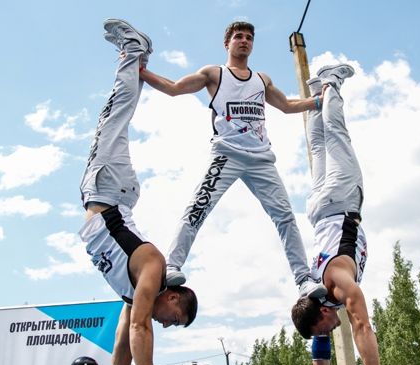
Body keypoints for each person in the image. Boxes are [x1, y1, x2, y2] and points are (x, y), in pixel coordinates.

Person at [139, 21, 327, 299]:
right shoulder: (214, 74)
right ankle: (172, 265)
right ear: (227, 43)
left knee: (286, 217)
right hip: (227, 154)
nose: (245, 41)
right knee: (198, 207)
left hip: (261, 159)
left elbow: (287, 106)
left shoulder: (262, 79)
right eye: (239, 36)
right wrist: (141, 71)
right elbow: (175, 88)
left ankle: (304, 280)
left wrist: (318, 101)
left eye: (249, 37)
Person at [79, 19, 198, 365]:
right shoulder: (152, 268)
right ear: (174, 298)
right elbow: (142, 327)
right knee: (114, 115)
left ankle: (136, 58)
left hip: (107, 191)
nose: (166, 323)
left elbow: (123, 342)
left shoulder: (137, 293)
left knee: (115, 117)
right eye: (173, 319)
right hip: (109, 190)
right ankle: (133, 50)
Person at [291, 64, 383, 365]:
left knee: (337, 136)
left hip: (342, 200)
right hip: (318, 211)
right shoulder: (314, 293)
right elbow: (319, 347)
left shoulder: (339, 284)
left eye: (324, 328)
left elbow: (362, 324)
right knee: (318, 148)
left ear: (324, 312)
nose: (328, 332)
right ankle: (317, 93)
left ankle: (331, 82)